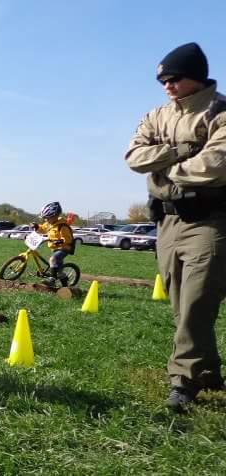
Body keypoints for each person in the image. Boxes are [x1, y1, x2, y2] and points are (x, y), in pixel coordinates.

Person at [125, 42, 226, 413]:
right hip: (167, 220)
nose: (166, 85)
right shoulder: (155, 116)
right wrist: (182, 152)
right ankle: (208, 371)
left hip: (210, 220)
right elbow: (135, 157)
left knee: (198, 298)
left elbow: (215, 163)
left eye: (174, 78)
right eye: (162, 80)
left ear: (196, 77)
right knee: (180, 299)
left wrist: (165, 166)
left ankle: (182, 380)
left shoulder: (220, 113)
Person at [30, 201, 74, 288]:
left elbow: (68, 239)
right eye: (45, 218)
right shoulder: (49, 224)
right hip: (55, 248)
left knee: (53, 259)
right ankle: (66, 287)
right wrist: (36, 226)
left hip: (64, 247)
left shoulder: (62, 226)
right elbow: (42, 229)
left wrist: (60, 241)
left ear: (55, 216)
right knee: (59, 271)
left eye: (47, 217)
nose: (46, 220)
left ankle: (52, 280)